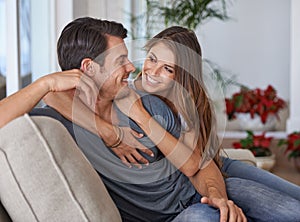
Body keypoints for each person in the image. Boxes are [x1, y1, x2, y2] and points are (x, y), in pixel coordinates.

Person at [44, 23, 300, 221]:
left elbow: (196, 163)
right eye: (151, 59)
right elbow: (51, 95)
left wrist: (140, 116)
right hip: (193, 185)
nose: (149, 72)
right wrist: (108, 130)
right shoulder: (127, 91)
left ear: (182, 76)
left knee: (290, 204)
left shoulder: (181, 104)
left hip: (212, 166)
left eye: (168, 68)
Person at [0, 17, 245, 222]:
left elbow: (197, 165)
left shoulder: (145, 103)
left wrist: (217, 196)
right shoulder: (57, 125)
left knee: (276, 209)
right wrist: (46, 83)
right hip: (183, 214)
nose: (131, 67)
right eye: (120, 60)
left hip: (197, 194)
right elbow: (52, 101)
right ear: (89, 67)